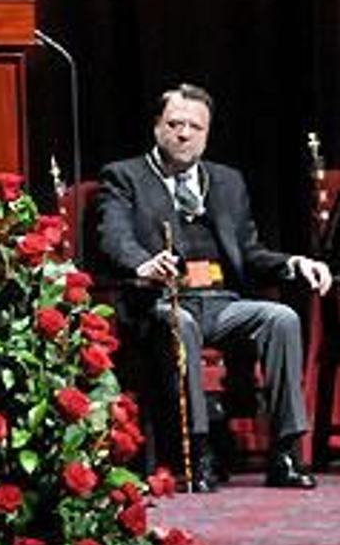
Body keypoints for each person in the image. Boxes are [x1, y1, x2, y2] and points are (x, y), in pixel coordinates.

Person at [97, 83, 327, 491]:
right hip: (163, 301)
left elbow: (249, 252)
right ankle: (199, 452)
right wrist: (144, 264)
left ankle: (286, 453)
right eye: (175, 124)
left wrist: (292, 263)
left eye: (194, 127)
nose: (184, 134)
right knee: (179, 322)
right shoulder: (125, 176)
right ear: (156, 127)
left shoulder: (226, 181)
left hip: (222, 303)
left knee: (281, 318)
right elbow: (115, 238)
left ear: (207, 132)